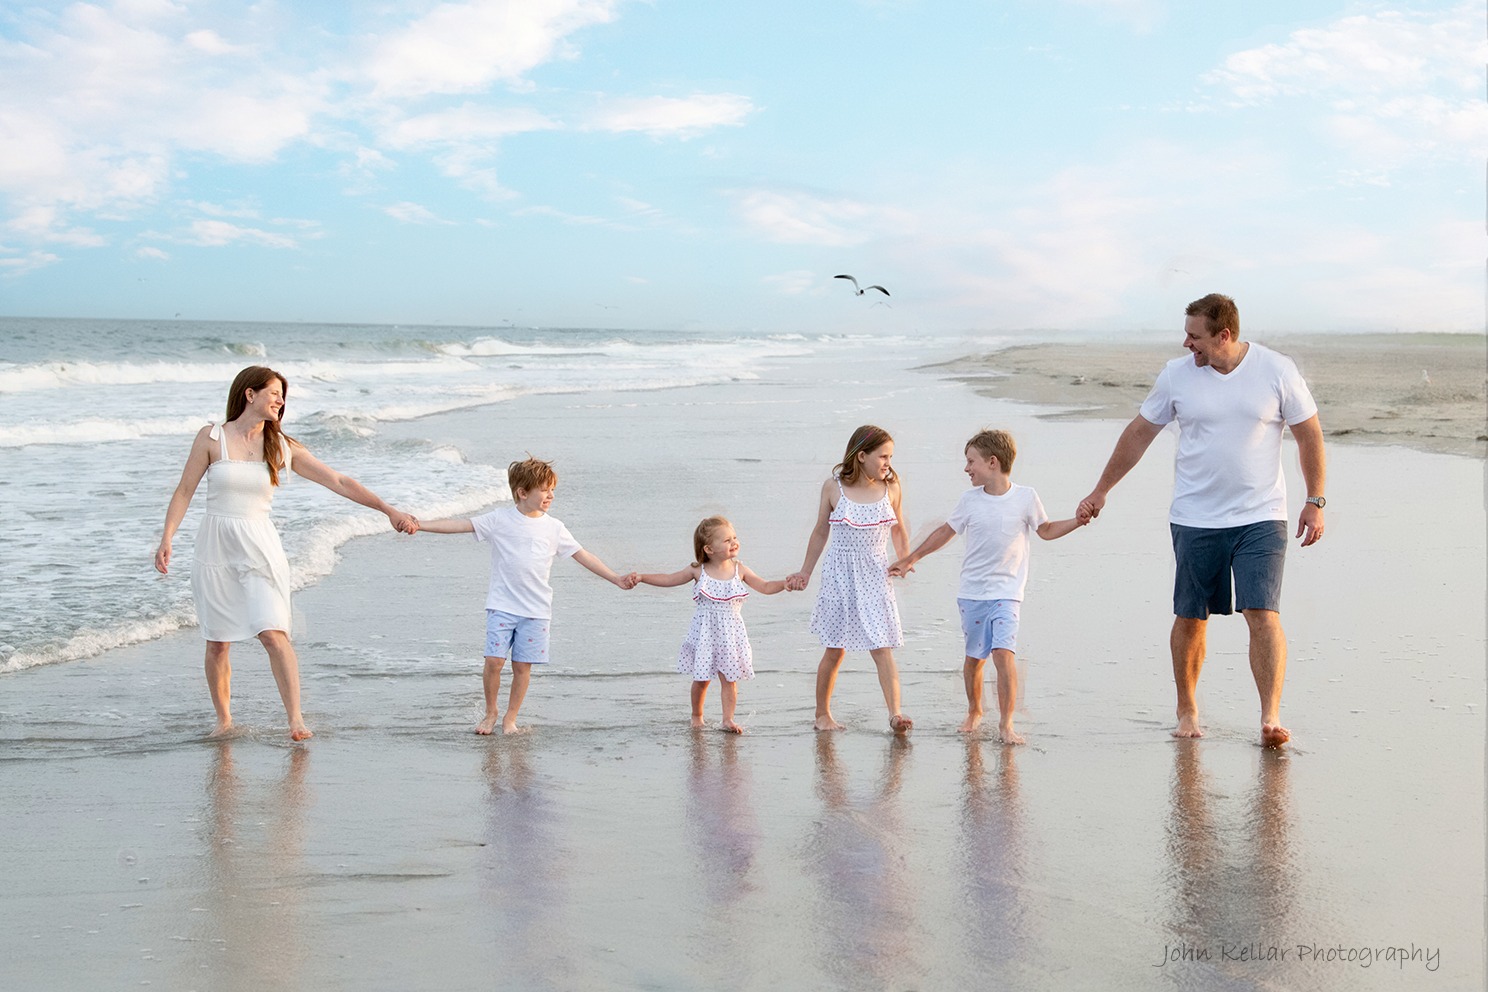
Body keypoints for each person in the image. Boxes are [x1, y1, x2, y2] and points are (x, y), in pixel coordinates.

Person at [1077, 293, 1326, 747]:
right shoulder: (1177, 376)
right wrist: (1101, 490)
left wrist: (1316, 500)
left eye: (1194, 335)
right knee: (1191, 616)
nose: (1186, 343)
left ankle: (1270, 717)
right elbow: (1138, 435)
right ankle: (1187, 710)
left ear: (1223, 335)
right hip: (1194, 517)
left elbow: (1309, 433)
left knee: (1262, 612)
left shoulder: (1276, 370)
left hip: (1261, 516)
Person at [155, 365, 417, 741]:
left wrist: (388, 509)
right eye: (275, 393)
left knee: (273, 633)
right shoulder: (212, 437)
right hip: (215, 548)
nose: (280, 401)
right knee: (218, 641)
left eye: (282, 397)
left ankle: (296, 720)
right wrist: (167, 538)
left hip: (260, 548)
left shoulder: (281, 446)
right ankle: (224, 720)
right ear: (250, 394)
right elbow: (184, 491)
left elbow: (339, 481)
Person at [407, 456, 637, 735]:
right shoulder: (499, 520)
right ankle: (491, 712)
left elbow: (582, 555)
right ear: (523, 493)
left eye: (552, 489)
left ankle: (510, 718)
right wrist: (422, 524)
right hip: (502, 606)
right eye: (544, 489)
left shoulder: (554, 527)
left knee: (522, 666)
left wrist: (615, 578)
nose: (550, 495)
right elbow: (461, 525)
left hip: (536, 611)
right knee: (494, 661)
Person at [889, 429, 1086, 742]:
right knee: (974, 658)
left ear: (992, 462)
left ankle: (1006, 723)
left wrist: (1077, 521)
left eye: (971, 461)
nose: (966, 468)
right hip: (972, 592)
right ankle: (974, 709)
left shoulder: (1025, 497)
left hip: (1007, 593)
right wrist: (912, 557)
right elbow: (945, 532)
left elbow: (1046, 530)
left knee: (1003, 653)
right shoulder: (969, 500)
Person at [786, 425, 913, 734]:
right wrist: (805, 571)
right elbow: (820, 530)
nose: (888, 463)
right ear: (861, 456)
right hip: (839, 575)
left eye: (890, 456)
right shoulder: (834, 488)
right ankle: (822, 714)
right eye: (883, 456)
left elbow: (897, 527)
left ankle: (895, 714)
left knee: (882, 647)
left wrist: (905, 558)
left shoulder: (891, 488)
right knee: (835, 649)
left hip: (875, 573)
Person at [637, 516, 792, 734]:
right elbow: (669, 579)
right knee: (701, 679)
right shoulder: (698, 571)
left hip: (731, 635)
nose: (734, 542)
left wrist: (785, 584)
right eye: (727, 540)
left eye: (735, 537)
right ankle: (697, 716)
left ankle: (728, 719)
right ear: (709, 549)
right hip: (704, 635)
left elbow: (765, 586)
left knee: (730, 678)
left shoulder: (740, 570)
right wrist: (642, 577)